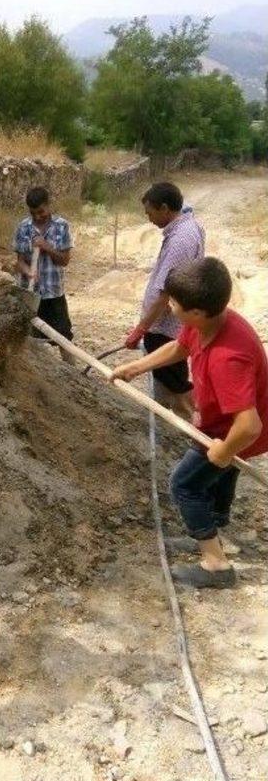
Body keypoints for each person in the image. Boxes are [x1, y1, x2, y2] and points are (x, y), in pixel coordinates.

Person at [112, 258, 268, 589]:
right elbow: (180, 347)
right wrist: (136, 368)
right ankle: (213, 529)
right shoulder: (207, 324)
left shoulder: (229, 357)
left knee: (185, 484)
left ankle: (216, 564)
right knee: (220, 474)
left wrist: (224, 450)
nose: (168, 305)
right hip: (223, 425)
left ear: (196, 311)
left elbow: (249, 425)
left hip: (234, 432)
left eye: (174, 302)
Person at [124, 182, 205, 419]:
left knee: (172, 376)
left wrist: (141, 329)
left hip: (167, 326)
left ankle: (186, 421)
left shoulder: (181, 240)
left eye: (150, 212)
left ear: (166, 208)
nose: (148, 218)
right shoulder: (187, 223)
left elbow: (165, 293)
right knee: (162, 373)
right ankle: (160, 418)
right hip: (166, 323)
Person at [13, 186, 74, 354]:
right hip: (30, 296)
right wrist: (27, 271)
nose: (38, 217)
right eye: (33, 213)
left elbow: (64, 260)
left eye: (41, 212)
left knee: (64, 339)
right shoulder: (23, 228)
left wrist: (46, 247)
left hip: (54, 294)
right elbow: (19, 263)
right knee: (27, 338)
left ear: (48, 205)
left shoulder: (61, 226)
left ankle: (73, 376)